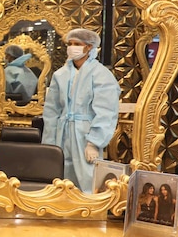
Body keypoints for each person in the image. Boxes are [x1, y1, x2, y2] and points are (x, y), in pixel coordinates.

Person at [42, 28, 120, 193]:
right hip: (61, 133)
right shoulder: (60, 74)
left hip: (85, 134)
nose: (72, 47)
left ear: (89, 47)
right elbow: (51, 112)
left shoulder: (101, 75)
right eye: (70, 44)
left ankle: (90, 211)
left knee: (87, 178)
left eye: (77, 44)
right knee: (60, 177)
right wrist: (49, 143)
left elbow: (106, 111)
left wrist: (94, 142)